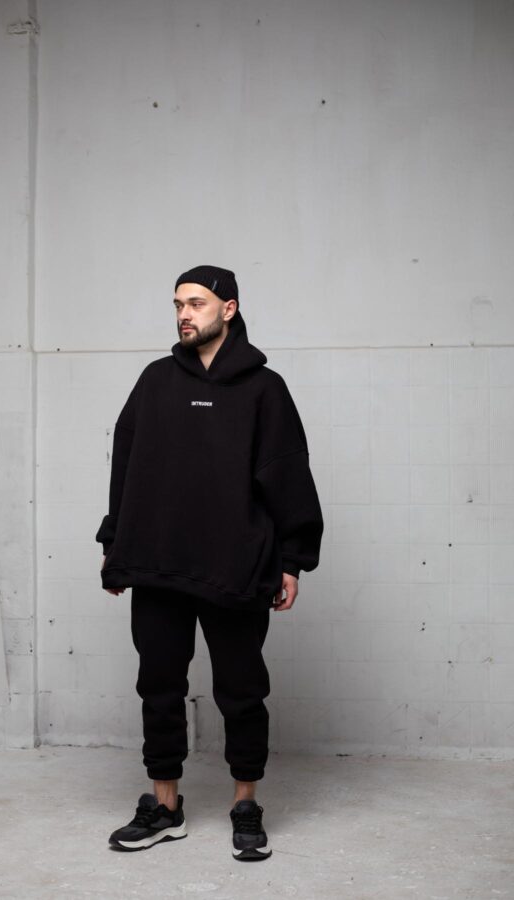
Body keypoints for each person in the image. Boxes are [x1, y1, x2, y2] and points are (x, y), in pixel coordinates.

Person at [96, 264, 324, 861]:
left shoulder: (264, 389)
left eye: (196, 303)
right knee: (159, 687)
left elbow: (287, 473)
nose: (183, 314)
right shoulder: (155, 381)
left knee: (242, 692)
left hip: (237, 565)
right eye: (178, 304)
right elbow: (126, 466)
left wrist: (293, 560)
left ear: (229, 308)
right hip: (158, 562)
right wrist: (115, 547)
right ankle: (164, 807)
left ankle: (245, 805)